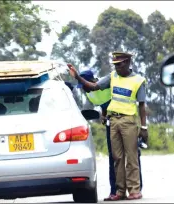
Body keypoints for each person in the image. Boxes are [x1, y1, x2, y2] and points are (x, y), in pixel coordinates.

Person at [68, 51, 148, 200]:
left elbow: (142, 106)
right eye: (115, 64)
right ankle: (120, 191)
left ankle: (134, 190)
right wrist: (77, 76)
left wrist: (144, 128)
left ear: (128, 63)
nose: (117, 67)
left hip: (129, 121)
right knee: (117, 158)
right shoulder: (112, 77)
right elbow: (93, 86)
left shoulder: (139, 80)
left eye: (119, 64)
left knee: (131, 156)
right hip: (113, 121)